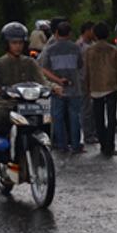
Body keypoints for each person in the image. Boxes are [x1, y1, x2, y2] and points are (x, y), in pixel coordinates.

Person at [0, 22, 62, 173]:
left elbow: (42, 81)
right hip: (6, 105)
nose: (18, 46)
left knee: (46, 120)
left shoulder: (30, 62)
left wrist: (53, 87)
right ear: (6, 44)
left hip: (29, 105)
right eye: (14, 43)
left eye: (20, 42)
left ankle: (40, 151)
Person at [41, 21, 86, 154]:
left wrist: (58, 80)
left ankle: (62, 145)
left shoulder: (50, 49)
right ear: (70, 33)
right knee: (74, 117)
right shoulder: (76, 48)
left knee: (58, 118)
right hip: (74, 89)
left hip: (57, 89)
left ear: (57, 33)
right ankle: (76, 145)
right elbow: (80, 65)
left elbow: (44, 68)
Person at [84, 21, 117, 157]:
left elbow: (87, 71)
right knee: (111, 118)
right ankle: (110, 146)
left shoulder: (89, 50)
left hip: (96, 88)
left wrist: (88, 89)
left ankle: (103, 145)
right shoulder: (113, 50)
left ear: (95, 34)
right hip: (111, 86)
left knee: (99, 117)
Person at [76, 20, 98, 144]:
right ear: (87, 31)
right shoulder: (79, 46)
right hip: (84, 80)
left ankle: (95, 133)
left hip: (95, 80)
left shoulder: (93, 43)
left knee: (94, 107)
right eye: (92, 30)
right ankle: (88, 135)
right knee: (86, 109)